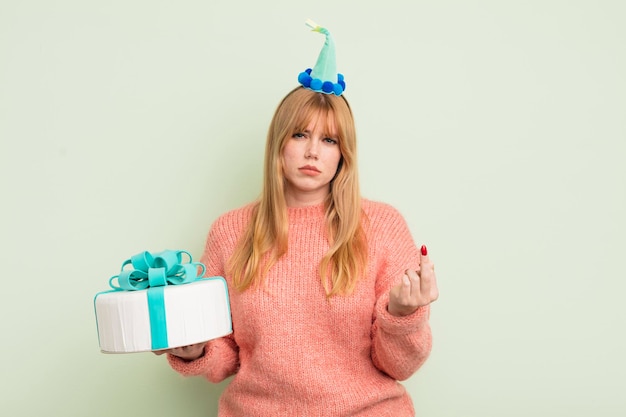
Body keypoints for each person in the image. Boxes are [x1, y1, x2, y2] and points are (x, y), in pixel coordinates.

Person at [157, 22, 439, 417]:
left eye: (329, 140)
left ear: (344, 154)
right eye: (299, 135)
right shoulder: (229, 232)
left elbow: (401, 366)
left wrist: (401, 316)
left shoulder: (382, 226)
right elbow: (225, 357)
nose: (312, 152)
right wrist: (197, 349)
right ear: (279, 143)